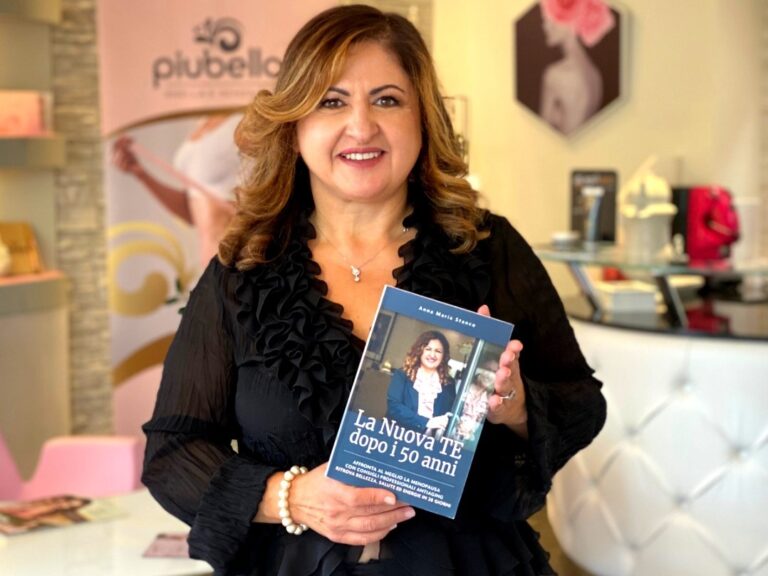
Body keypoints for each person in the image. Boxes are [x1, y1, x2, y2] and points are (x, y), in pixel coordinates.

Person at [142, 5, 607, 575]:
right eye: (330, 101)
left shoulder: (487, 250)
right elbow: (172, 453)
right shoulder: (243, 273)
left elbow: (580, 403)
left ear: (422, 119)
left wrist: (514, 405)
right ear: (294, 124)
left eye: (387, 100)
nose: (361, 127)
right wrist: (292, 497)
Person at [112, 112, 243, 268]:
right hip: (211, 263)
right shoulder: (201, 124)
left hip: (240, 259)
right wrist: (141, 174)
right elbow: (190, 211)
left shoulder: (242, 121)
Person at [538, 0, 615, 135]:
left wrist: (557, 117)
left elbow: (541, 134)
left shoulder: (555, 74)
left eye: (550, 19)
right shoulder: (595, 74)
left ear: (570, 23)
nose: (545, 26)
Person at [385, 330, 455, 433]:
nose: (432, 355)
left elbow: (450, 413)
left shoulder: (449, 383)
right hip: (396, 434)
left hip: (429, 439)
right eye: (428, 349)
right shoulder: (402, 374)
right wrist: (426, 422)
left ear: (444, 356)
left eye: (438, 351)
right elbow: (394, 407)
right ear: (419, 351)